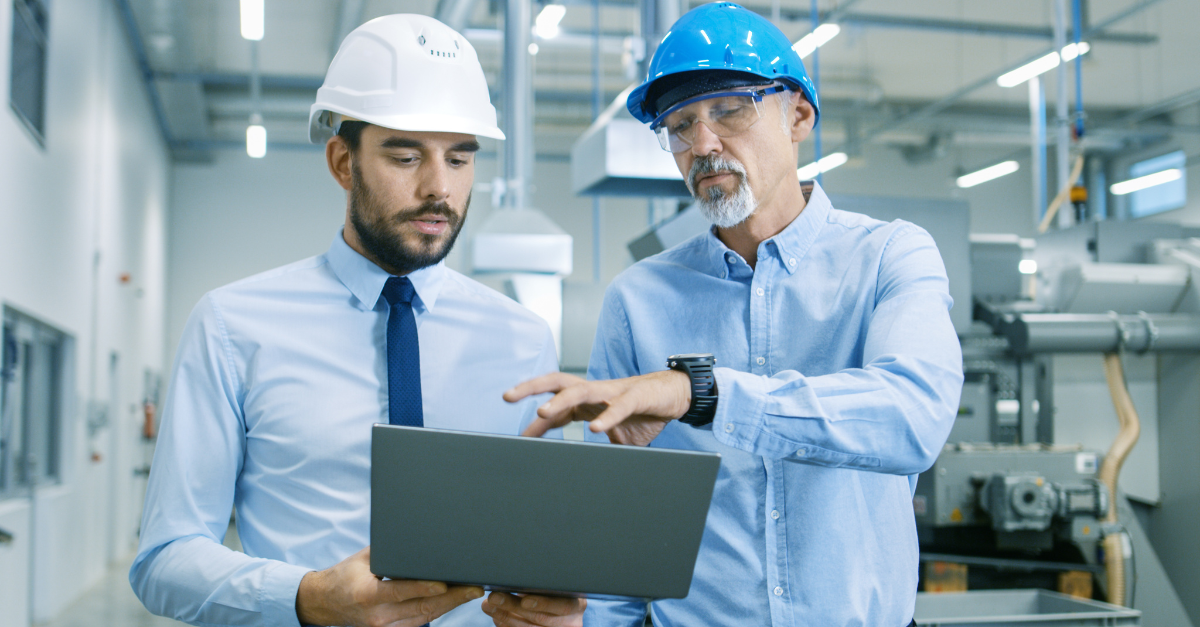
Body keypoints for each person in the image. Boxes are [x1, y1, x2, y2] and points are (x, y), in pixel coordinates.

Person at [505, 3, 963, 626]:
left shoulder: (889, 256)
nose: (703, 144)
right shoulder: (638, 300)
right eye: (680, 125)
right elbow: (619, 526)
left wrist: (700, 394)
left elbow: (912, 418)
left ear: (798, 114)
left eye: (729, 109)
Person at [130, 15, 582, 627]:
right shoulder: (233, 327)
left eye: (459, 159)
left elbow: (543, 546)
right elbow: (164, 559)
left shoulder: (522, 339)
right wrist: (307, 599)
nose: (438, 189)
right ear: (343, 163)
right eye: (405, 156)